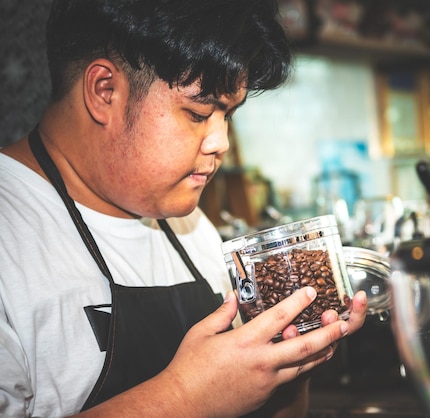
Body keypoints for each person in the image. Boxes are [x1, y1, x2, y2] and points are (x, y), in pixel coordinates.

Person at [0, 0, 368, 416]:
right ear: (104, 91)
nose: (221, 143)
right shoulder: (11, 226)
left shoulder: (191, 226)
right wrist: (185, 396)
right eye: (197, 113)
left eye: (227, 115)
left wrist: (292, 358)